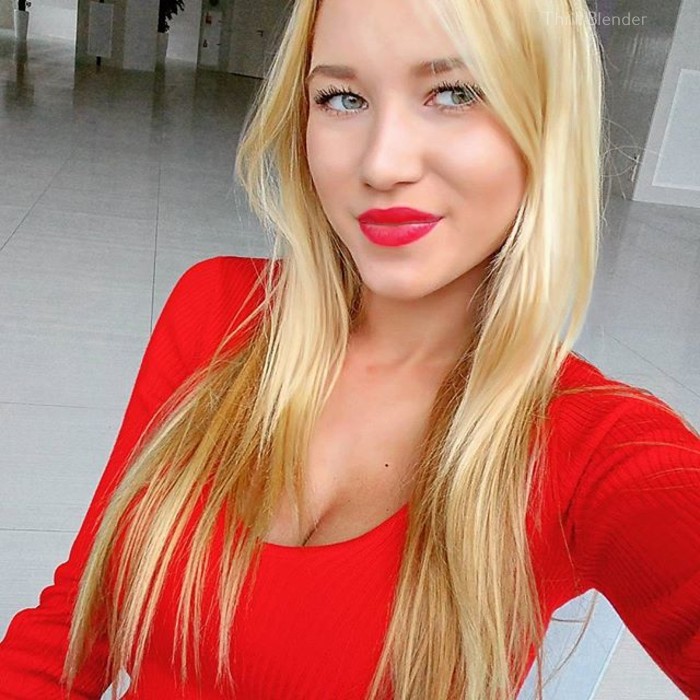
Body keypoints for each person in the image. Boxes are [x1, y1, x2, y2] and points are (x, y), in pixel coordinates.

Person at [1, 0, 699, 698]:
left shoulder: (594, 447)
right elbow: (74, 625)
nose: (381, 163)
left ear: (547, 120)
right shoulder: (218, 312)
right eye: (342, 98)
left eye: (455, 92)